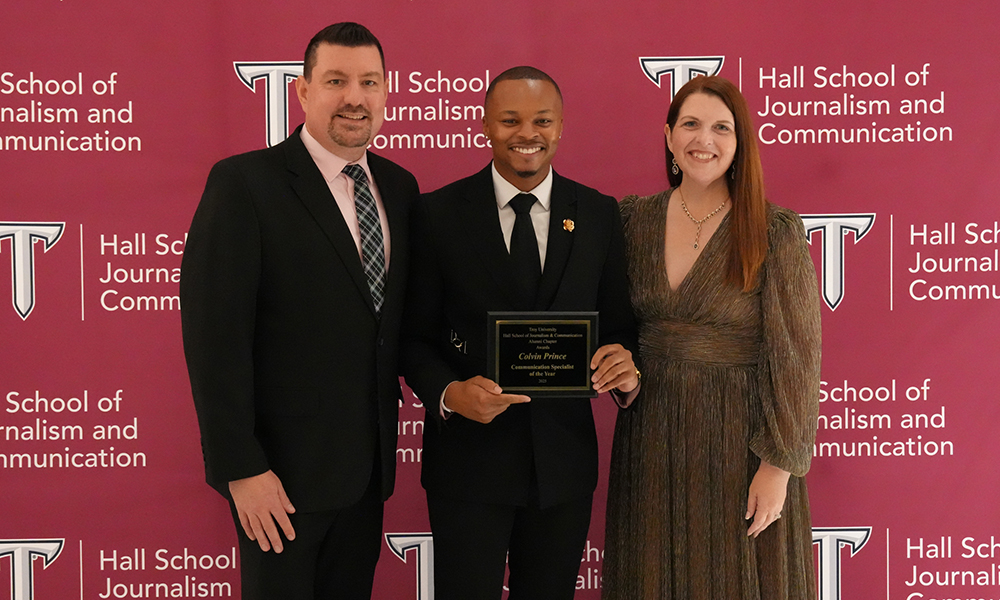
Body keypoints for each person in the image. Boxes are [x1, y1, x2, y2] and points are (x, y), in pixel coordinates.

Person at [180, 22, 418, 600]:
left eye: (369, 82)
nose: (354, 98)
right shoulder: (245, 184)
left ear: (385, 93)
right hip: (277, 485)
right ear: (304, 92)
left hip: (366, 479)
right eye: (336, 80)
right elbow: (215, 338)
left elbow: (393, 327)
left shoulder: (400, 187)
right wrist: (241, 469)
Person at [401, 66, 640, 600]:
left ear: (560, 128)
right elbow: (412, 338)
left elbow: (621, 328)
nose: (526, 133)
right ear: (485, 124)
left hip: (562, 468)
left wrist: (626, 369)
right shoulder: (437, 214)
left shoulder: (599, 214)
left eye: (541, 120)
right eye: (510, 119)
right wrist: (449, 393)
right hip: (468, 466)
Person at [602, 75, 822, 600]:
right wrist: (623, 380)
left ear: (740, 141)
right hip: (651, 438)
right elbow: (619, 333)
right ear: (669, 136)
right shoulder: (632, 221)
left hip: (741, 441)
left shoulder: (774, 230)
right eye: (692, 124)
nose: (706, 139)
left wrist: (779, 465)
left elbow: (796, 357)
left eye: (722, 127)